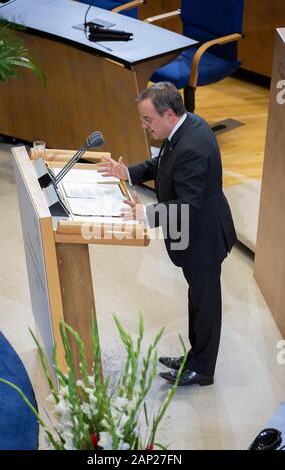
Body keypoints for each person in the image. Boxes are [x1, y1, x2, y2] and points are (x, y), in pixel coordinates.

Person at [97, 82, 237, 387]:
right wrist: (129, 173)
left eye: (148, 120)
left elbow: (188, 205)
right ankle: (196, 356)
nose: (144, 126)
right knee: (197, 299)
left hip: (204, 237)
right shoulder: (184, 128)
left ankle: (202, 369)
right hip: (195, 232)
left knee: (205, 303)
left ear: (169, 114)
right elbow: (163, 164)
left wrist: (146, 214)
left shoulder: (193, 147)